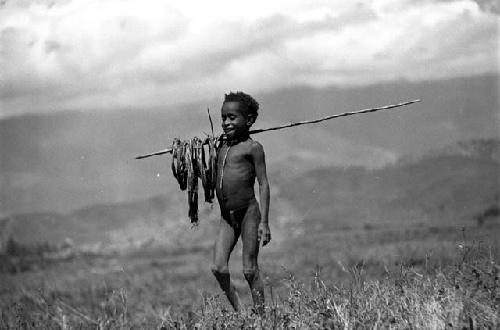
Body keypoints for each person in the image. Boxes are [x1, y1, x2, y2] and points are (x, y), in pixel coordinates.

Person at [211, 91, 271, 314]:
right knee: (218, 267)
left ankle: (263, 318)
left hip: (248, 213)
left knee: (249, 270)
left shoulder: (253, 148)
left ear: (250, 120)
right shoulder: (221, 147)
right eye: (224, 118)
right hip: (227, 216)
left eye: (232, 118)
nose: (226, 123)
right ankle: (241, 313)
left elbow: (264, 184)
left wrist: (264, 222)